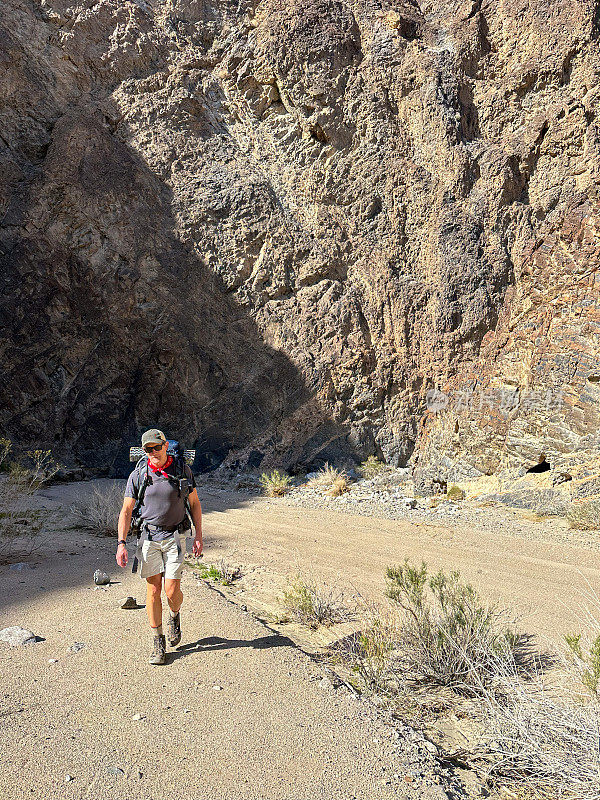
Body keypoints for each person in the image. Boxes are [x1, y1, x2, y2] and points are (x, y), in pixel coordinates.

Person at [116, 429, 203, 665]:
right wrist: (121, 543)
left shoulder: (181, 470)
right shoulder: (138, 475)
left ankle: (174, 615)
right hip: (148, 539)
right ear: (144, 451)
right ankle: (158, 642)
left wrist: (198, 536)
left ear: (165, 446)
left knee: (172, 591)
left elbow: (194, 504)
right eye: (148, 449)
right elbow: (126, 511)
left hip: (175, 537)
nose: (153, 452)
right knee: (154, 590)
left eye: (156, 447)